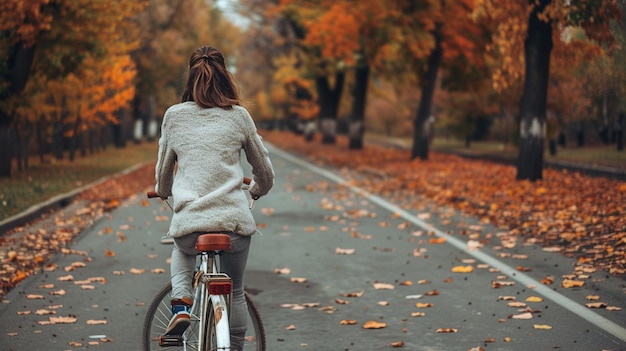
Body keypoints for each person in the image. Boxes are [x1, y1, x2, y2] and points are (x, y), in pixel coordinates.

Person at [154, 46, 274, 350]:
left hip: (191, 223)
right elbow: (264, 171)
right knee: (234, 292)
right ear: (225, 77)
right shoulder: (239, 116)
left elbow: (163, 174)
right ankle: (232, 346)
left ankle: (181, 306)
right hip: (233, 223)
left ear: (190, 78)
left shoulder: (174, 116)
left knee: (182, 250)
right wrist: (257, 188)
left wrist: (164, 190)